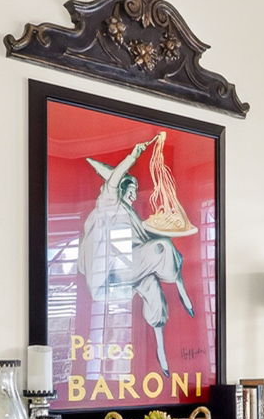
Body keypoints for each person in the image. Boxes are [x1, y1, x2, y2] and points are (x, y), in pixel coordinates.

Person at [79, 139, 195, 373]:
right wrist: (132, 157)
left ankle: (161, 351)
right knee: (162, 247)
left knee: (153, 288)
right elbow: (113, 180)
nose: (134, 195)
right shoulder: (110, 205)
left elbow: (145, 235)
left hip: (134, 267)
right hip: (117, 272)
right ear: (120, 191)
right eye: (130, 191)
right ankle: (180, 287)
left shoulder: (132, 215)